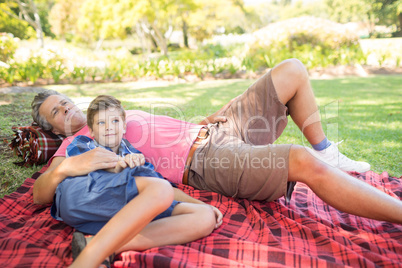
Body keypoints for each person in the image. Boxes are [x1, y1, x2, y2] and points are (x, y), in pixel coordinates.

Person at [31, 59, 402, 225]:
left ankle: (330, 154)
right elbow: (39, 195)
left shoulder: (103, 112)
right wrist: (64, 166)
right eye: (57, 113)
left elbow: (157, 134)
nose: (67, 109)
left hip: (215, 130)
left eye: (64, 101)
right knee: (300, 160)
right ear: (56, 131)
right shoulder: (75, 146)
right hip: (207, 161)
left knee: (291, 70)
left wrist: (199, 122)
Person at [52, 95, 222, 268]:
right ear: (92, 130)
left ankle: (100, 244)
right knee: (158, 189)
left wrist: (203, 205)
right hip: (84, 196)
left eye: (115, 121)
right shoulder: (83, 144)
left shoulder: (134, 155)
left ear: (124, 125)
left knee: (204, 218)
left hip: (122, 208)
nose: (109, 127)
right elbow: (87, 166)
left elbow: (164, 189)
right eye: (101, 123)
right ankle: (86, 260)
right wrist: (118, 165)